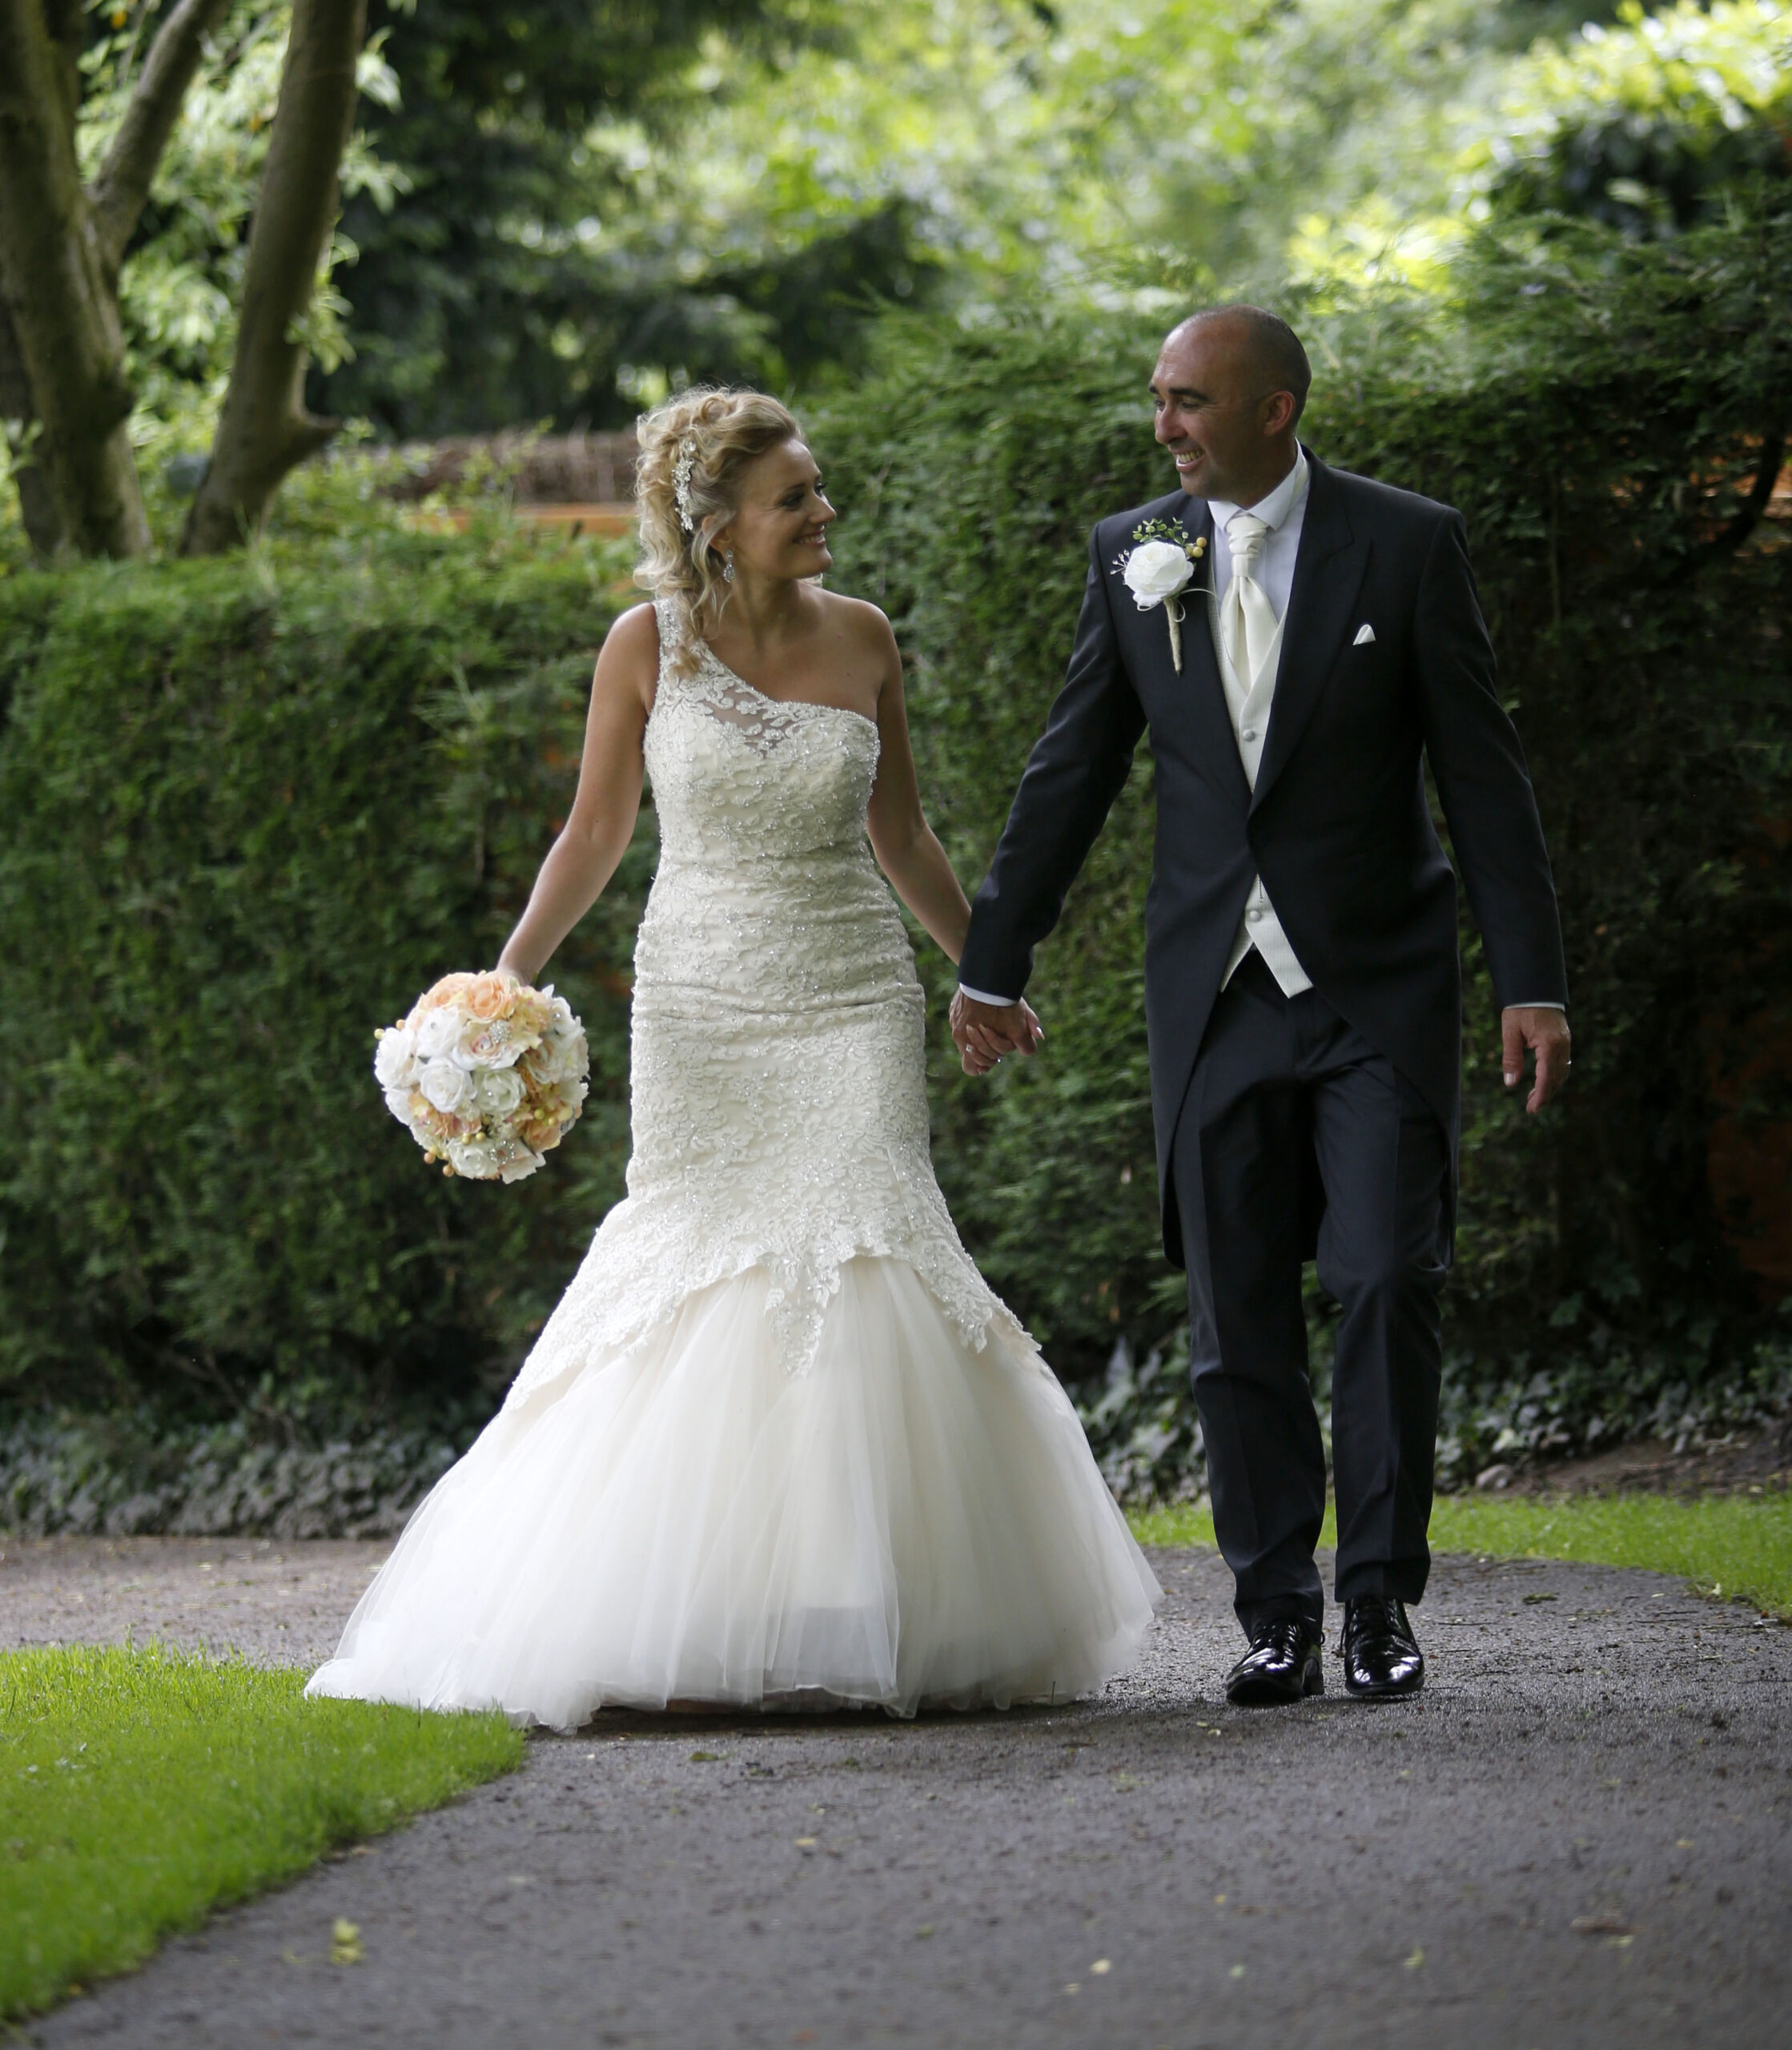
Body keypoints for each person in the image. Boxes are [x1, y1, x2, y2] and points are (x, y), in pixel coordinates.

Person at [307, 388, 1159, 1727]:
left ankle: (881, 1604)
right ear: (713, 526)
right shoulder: (646, 645)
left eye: (819, 490)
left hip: (851, 991)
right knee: (694, 1257)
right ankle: (677, 1609)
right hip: (702, 995)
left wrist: (977, 973)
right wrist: (503, 980)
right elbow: (592, 834)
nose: (825, 513)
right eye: (795, 499)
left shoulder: (865, 639)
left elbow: (906, 839)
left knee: (871, 1237)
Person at [953, 306, 1570, 1706]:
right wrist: (995, 956)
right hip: (1215, 996)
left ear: (1274, 409)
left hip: (1375, 989)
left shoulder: (1406, 543)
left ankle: (1377, 1606)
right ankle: (1274, 1611)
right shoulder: (1129, 556)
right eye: (1159, 400)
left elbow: (1482, 776)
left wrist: (1529, 980)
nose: (1163, 425)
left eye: (1188, 402)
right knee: (1234, 1309)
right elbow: (1071, 771)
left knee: (1382, 1279)